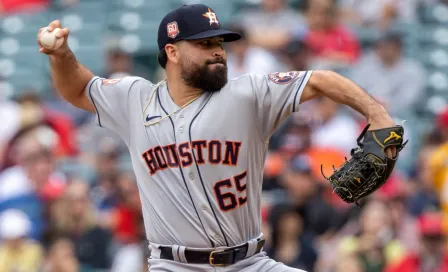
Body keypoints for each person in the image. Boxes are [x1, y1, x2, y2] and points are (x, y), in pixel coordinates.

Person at [37, 4, 397, 271]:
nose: (218, 51)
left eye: (220, 43)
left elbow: (319, 79)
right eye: (205, 43)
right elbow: (79, 88)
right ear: (173, 52)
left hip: (250, 262)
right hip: (174, 265)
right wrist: (61, 54)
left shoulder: (248, 95)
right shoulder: (135, 99)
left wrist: (375, 112)